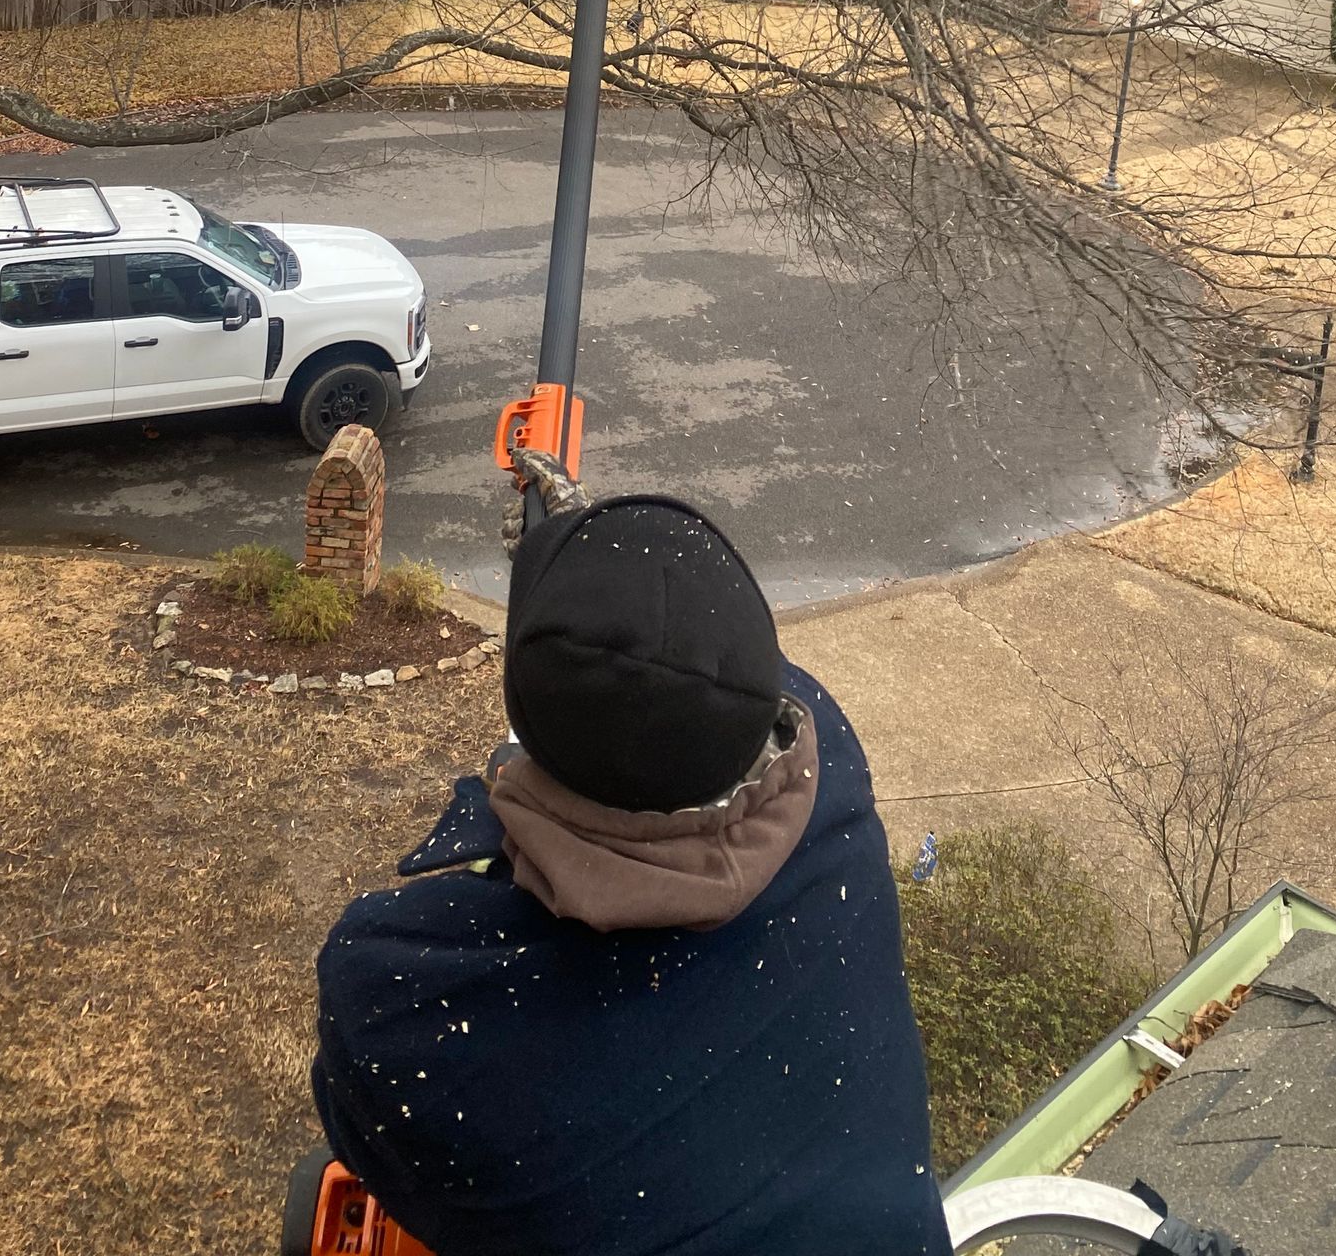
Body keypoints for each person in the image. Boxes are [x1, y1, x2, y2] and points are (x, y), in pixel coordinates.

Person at [312, 481, 949, 1256]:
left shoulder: (403, 1011)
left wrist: (561, 616)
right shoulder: (833, 763)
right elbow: (693, 670)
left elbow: (365, 1135)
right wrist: (579, 587)